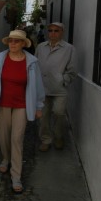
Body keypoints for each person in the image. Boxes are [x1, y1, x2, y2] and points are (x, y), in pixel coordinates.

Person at [0, 30, 45, 193]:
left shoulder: (32, 63)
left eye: (17, 41)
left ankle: (16, 176)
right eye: (11, 41)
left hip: (22, 105)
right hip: (2, 104)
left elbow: (38, 86)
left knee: (17, 138)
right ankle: (6, 158)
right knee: (3, 136)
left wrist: (38, 106)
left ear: (23, 43)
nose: (13, 44)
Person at [35, 22, 76, 151]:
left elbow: (73, 70)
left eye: (56, 31)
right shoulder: (41, 47)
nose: (53, 33)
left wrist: (62, 80)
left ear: (62, 32)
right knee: (43, 116)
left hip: (59, 89)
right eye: (50, 30)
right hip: (43, 88)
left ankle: (58, 137)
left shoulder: (69, 49)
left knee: (59, 113)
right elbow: (35, 65)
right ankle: (46, 140)